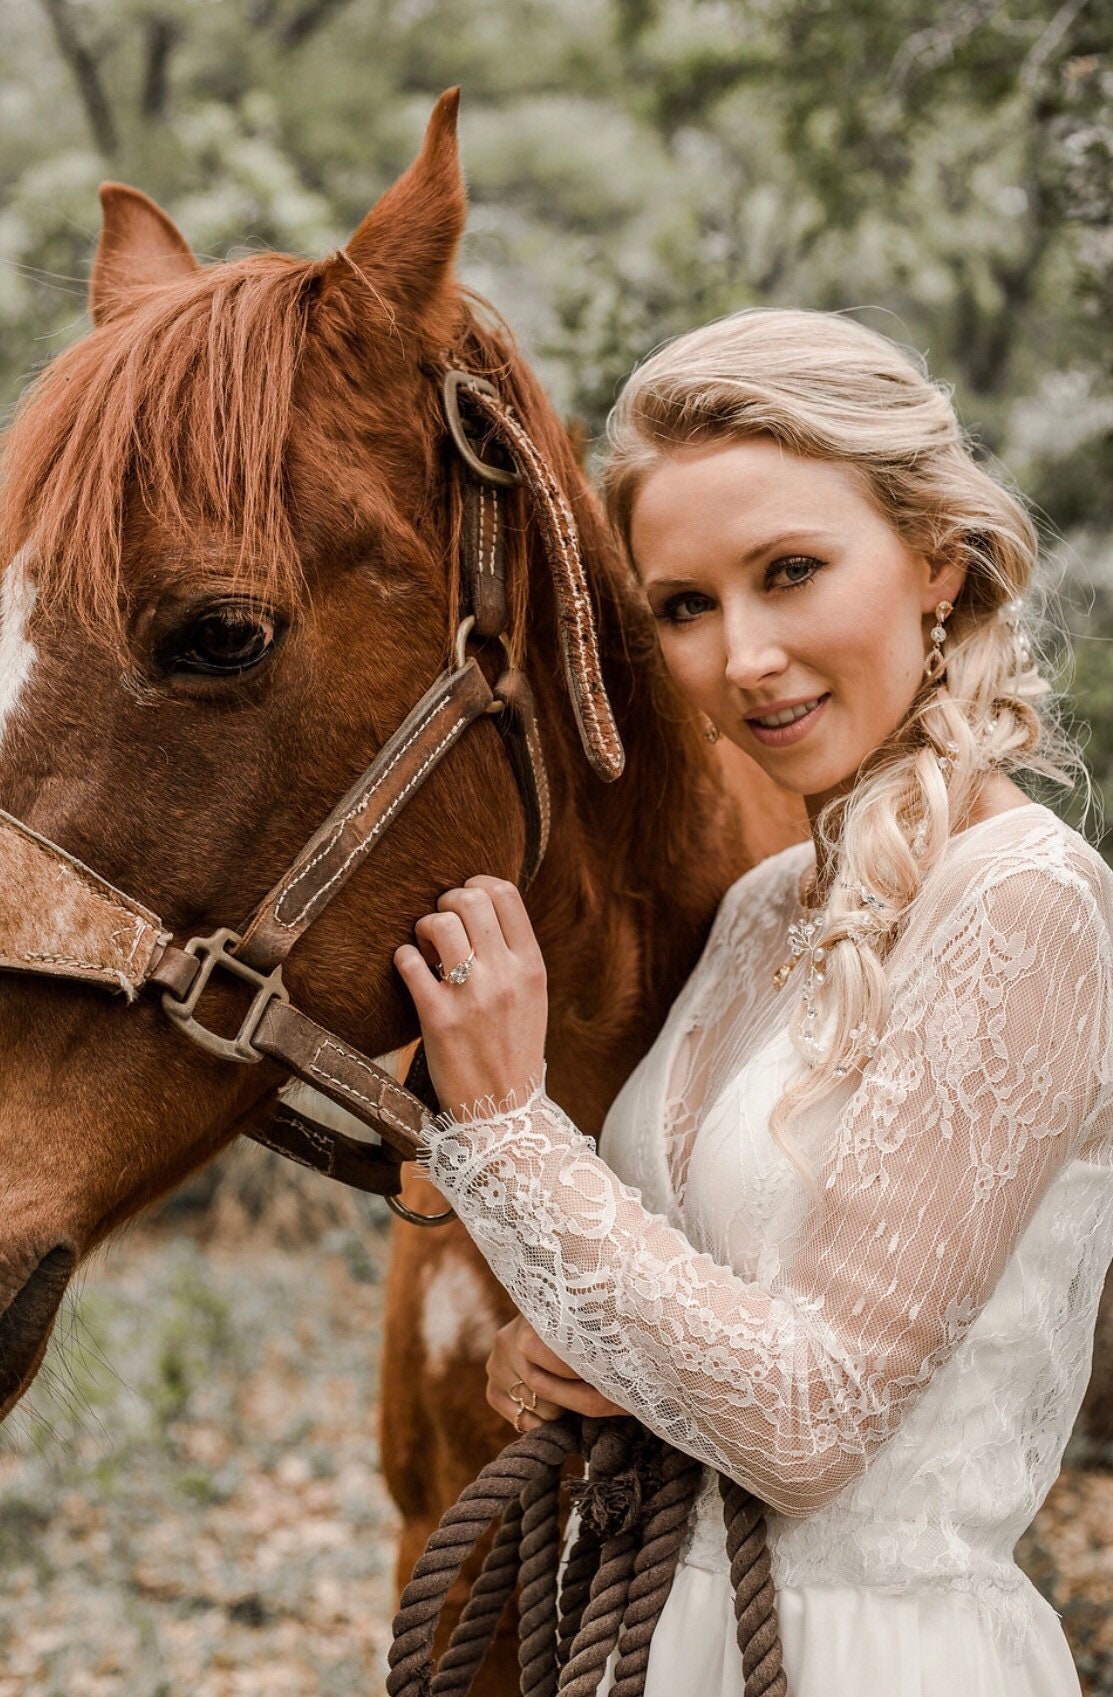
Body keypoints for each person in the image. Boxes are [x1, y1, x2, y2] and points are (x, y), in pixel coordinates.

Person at [393, 309, 1113, 1695]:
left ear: (933, 564)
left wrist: (497, 1118)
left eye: (790, 571)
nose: (744, 658)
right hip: (654, 1636)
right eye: (683, 606)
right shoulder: (762, 907)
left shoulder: (1025, 902)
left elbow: (806, 1418)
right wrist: (558, 1350)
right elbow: (694, 1307)